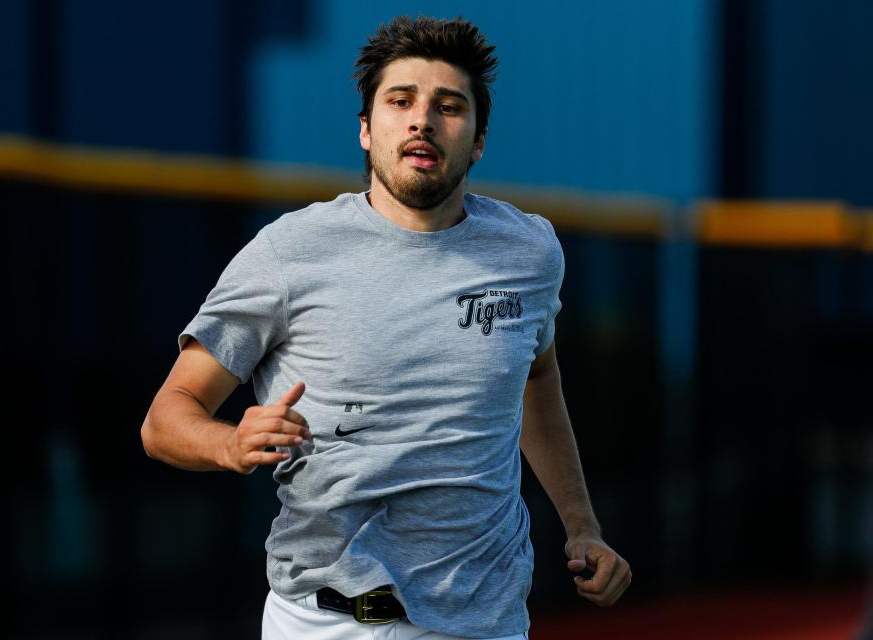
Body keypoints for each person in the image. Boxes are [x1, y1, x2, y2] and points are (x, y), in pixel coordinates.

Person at [140, 15, 631, 640]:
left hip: (488, 621)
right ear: (367, 130)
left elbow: (537, 377)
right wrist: (230, 442)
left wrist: (581, 524)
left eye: (449, 106)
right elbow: (164, 420)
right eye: (400, 101)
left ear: (478, 140)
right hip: (326, 622)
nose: (422, 119)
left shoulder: (529, 253)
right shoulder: (289, 252)